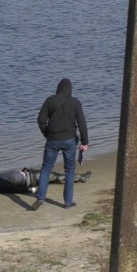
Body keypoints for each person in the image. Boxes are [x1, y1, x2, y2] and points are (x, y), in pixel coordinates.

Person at [31, 78, 89, 210]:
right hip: (69, 140)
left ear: (58, 88)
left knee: (46, 168)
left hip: (52, 140)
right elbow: (82, 123)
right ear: (70, 90)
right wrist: (85, 142)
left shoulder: (50, 100)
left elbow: (40, 120)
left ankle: (40, 198)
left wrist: (47, 134)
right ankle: (68, 202)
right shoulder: (75, 103)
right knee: (69, 170)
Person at [0, 168, 92, 194]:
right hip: (31, 178)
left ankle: (78, 177)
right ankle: (81, 178)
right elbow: (14, 189)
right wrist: (29, 190)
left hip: (28, 174)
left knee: (53, 177)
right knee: (55, 176)